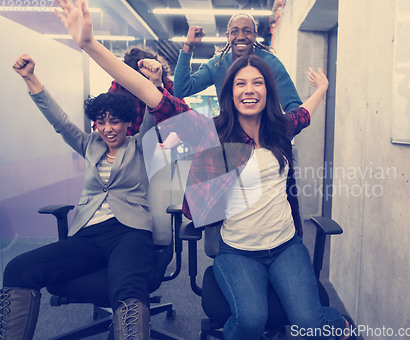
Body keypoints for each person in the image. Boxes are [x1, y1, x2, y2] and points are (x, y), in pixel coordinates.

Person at [53, 1, 351, 338]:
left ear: (268, 91)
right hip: (237, 250)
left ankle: (337, 323)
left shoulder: (280, 128)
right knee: (250, 321)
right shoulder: (211, 132)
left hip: (286, 245)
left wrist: (322, 89)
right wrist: (90, 45)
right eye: (240, 84)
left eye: (257, 83)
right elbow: (151, 94)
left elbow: (306, 113)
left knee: (310, 324)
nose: (249, 90)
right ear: (229, 93)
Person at [0, 53, 175, 339]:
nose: (108, 128)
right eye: (102, 122)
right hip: (89, 234)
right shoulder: (89, 145)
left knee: (127, 287)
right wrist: (31, 78)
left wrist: (155, 82)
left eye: (115, 122)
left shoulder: (140, 146)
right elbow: (59, 121)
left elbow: (153, 113)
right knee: (18, 269)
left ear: (127, 123)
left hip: (130, 232)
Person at [173, 13, 303, 112]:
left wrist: (277, 141)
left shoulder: (271, 64)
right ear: (228, 36)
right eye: (234, 32)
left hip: (263, 140)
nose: (240, 37)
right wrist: (188, 46)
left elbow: (294, 107)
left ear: (255, 35)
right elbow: (181, 90)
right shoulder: (217, 65)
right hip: (230, 141)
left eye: (247, 31)